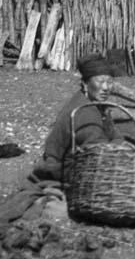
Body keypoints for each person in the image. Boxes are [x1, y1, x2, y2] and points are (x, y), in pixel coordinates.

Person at [31, 53, 121, 182]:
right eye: (100, 82)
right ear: (85, 84)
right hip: (64, 170)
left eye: (110, 82)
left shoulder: (96, 105)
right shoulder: (85, 112)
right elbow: (99, 154)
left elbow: (115, 135)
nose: (106, 88)